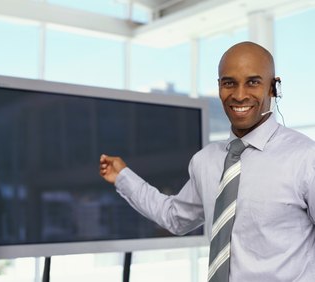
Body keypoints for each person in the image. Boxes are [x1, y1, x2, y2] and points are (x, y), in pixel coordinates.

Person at [99, 41, 315, 281]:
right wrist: (123, 177)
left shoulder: (306, 158)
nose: (240, 95)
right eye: (229, 83)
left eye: (253, 82)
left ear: (273, 88)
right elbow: (174, 217)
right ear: (220, 86)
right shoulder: (205, 161)